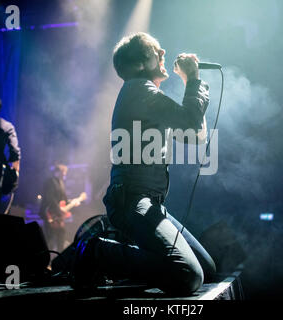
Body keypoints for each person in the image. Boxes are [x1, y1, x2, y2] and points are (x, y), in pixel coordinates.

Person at [72, 32, 216, 295]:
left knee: (207, 268)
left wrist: (193, 84)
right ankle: (97, 250)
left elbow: (195, 134)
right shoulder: (139, 90)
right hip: (132, 201)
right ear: (139, 64)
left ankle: (128, 258)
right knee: (188, 275)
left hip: (149, 203)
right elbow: (191, 121)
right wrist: (192, 79)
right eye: (156, 51)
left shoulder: (147, 99)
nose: (163, 54)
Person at [39, 163, 83, 252]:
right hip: (50, 213)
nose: (65, 174)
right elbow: (49, 198)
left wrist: (73, 203)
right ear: (57, 172)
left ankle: (59, 257)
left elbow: (64, 200)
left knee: (61, 234)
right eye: (63, 172)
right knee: (49, 238)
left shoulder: (61, 183)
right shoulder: (50, 181)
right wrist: (59, 209)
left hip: (58, 216)